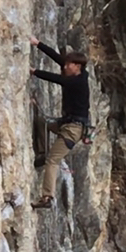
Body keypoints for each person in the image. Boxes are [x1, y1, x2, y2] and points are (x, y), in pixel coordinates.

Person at [30, 36, 90, 209]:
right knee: (42, 122)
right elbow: (59, 59)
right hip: (66, 124)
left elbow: (59, 80)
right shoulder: (79, 72)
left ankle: (47, 197)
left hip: (73, 130)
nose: (65, 67)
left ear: (77, 67)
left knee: (53, 160)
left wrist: (34, 72)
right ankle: (41, 154)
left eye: (69, 65)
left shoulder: (77, 82)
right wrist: (38, 44)